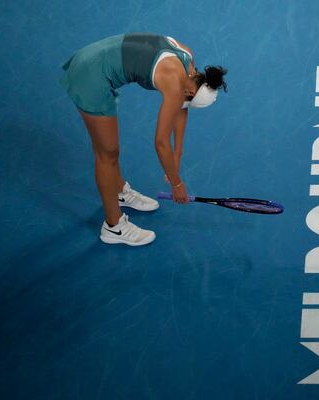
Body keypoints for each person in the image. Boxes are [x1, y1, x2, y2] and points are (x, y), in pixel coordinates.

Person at [59, 33, 228, 246]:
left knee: (109, 150)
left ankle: (119, 192)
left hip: (93, 57)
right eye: (188, 99)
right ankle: (114, 227)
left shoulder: (188, 61)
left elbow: (181, 109)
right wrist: (176, 184)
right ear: (189, 91)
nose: (184, 103)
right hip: (89, 76)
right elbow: (160, 142)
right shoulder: (176, 87)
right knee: (107, 153)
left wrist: (178, 154)